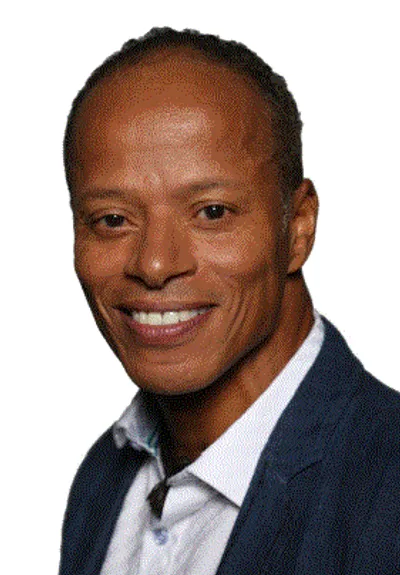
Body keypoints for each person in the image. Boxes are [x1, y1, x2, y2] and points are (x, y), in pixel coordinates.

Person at [59, 27, 400, 575]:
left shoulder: (386, 493)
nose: (154, 264)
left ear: (299, 227)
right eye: (112, 219)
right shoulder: (103, 479)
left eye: (211, 212)